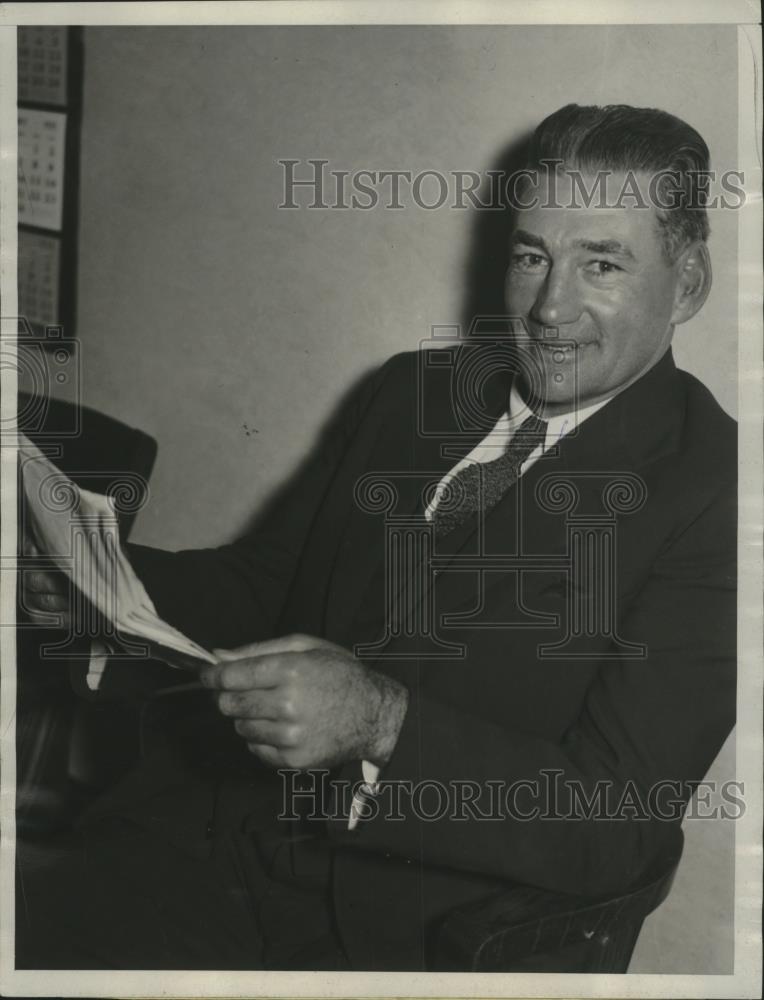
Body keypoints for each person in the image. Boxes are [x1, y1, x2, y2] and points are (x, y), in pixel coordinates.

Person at [17, 103, 736, 972]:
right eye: (531, 257)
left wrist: (380, 723)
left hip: (413, 929)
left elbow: (616, 825)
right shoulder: (410, 392)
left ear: (687, 285)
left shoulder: (716, 495)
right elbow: (267, 585)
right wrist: (100, 581)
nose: (550, 307)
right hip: (211, 827)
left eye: (603, 264)